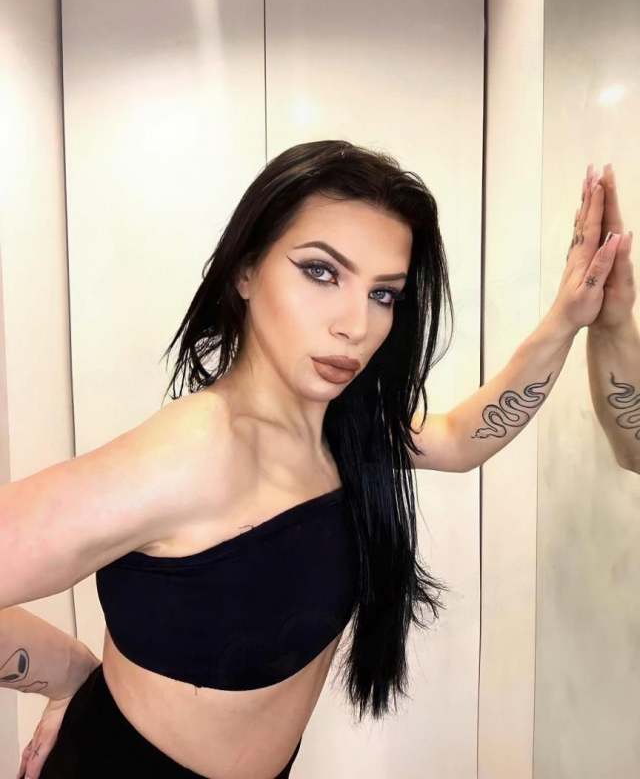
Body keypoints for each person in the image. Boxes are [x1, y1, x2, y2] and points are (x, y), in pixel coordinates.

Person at [2, 141, 627, 778]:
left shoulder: (340, 433)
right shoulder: (193, 451)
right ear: (246, 271)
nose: (356, 325)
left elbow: (464, 440)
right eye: (322, 272)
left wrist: (568, 318)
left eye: (383, 294)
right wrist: (67, 674)